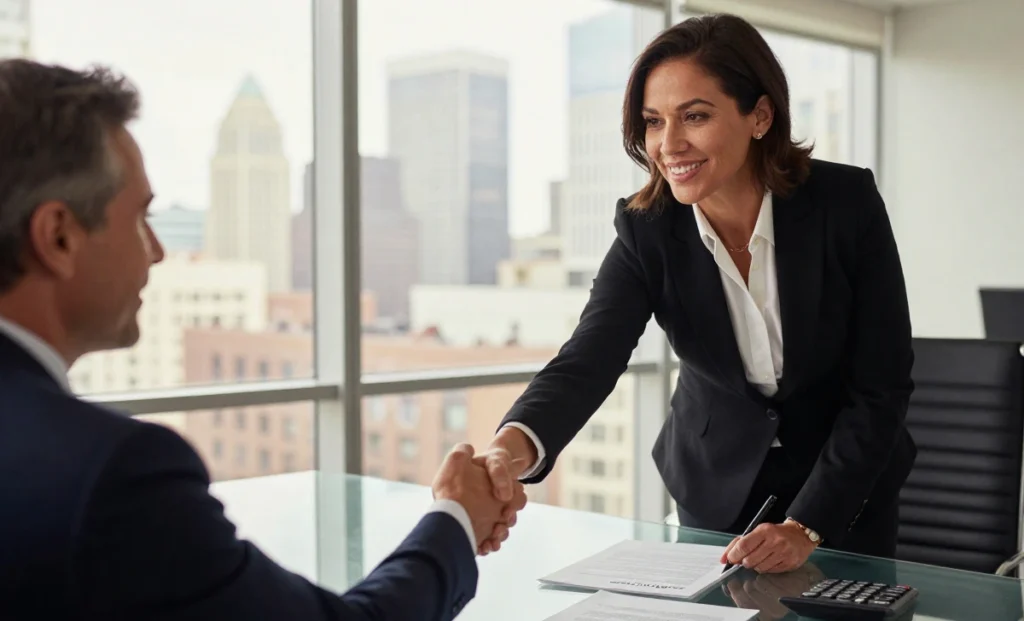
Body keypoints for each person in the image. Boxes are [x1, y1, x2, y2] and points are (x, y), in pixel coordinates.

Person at [0, 58, 525, 620]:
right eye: (139, 218)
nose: (157, 251)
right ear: (58, 236)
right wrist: (456, 518)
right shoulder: (115, 474)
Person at [472, 13, 917, 572]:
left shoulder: (845, 204)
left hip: (846, 493)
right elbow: (587, 360)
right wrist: (505, 452)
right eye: (653, 122)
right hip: (716, 485)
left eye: (695, 116)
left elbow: (882, 386)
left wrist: (807, 525)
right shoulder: (648, 229)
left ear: (760, 116)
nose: (669, 144)